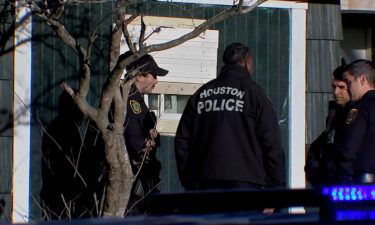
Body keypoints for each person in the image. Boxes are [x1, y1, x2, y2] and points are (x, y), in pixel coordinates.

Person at [174, 42, 285, 190]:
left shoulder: (202, 94)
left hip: (205, 183)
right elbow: (271, 142)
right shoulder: (255, 95)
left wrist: (189, 180)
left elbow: (183, 140)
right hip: (246, 182)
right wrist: (276, 187)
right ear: (247, 63)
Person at [123, 52, 168, 213]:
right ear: (140, 76)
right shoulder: (129, 100)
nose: (156, 80)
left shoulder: (137, 99)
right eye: (153, 75)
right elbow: (135, 141)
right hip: (131, 180)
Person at [305, 63, 352, 186]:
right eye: (334, 87)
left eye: (341, 87)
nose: (336, 92)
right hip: (331, 185)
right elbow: (319, 146)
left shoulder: (361, 114)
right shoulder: (336, 115)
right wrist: (316, 173)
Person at [333, 59, 375, 184]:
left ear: (362, 80)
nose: (349, 89)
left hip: (364, 185)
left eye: (349, 82)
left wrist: (344, 182)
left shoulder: (361, 108)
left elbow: (349, 148)